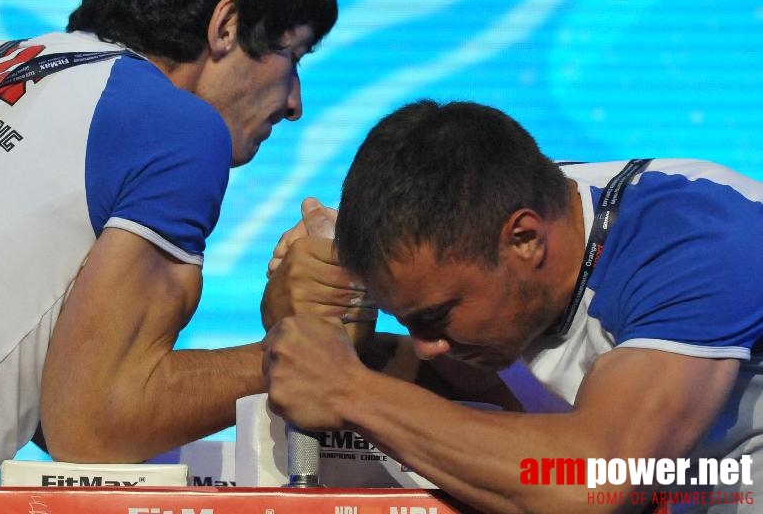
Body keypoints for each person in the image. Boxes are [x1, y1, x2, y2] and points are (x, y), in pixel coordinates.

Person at [0, 0, 337, 511]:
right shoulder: (179, 128)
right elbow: (91, 426)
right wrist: (312, 349)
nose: (294, 103)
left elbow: (32, 392)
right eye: (292, 56)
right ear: (227, 25)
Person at [262, 100, 763, 513]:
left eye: (435, 318)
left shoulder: (698, 243)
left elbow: (591, 483)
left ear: (525, 240)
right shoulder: (489, 229)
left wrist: (349, 389)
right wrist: (314, 297)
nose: (428, 346)